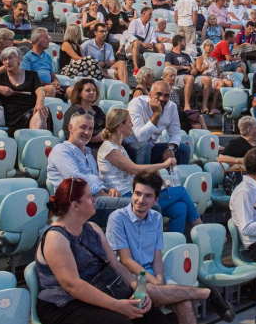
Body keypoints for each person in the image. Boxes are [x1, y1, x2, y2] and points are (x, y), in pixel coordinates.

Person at [34, 177, 172, 324]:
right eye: (89, 197)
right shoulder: (56, 237)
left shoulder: (93, 228)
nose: (95, 199)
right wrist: (117, 306)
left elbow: (115, 265)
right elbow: (73, 286)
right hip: (63, 306)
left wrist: (138, 291)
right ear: (75, 206)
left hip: (96, 295)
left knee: (154, 321)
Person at [107, 172, 235, 324]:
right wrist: (154, 282)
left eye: (148, 196)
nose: (141, 200)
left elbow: (157, 255)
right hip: (128, 279)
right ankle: (204, 293)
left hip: (153, 276)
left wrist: (160, 279)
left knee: (184, 305)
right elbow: (127, 261)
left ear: (156, 199)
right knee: (149, 290)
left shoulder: (156, 217)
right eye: (137, 194)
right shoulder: (117, 218)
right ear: (131, 193)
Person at [96, 107, 200, 236]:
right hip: (125, 196)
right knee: (181, 191)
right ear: (121, 126)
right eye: (129, 122)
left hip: (133, 191)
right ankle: (200, 228)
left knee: (180, 209)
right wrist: (163, 165)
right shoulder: (108, 147)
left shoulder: (119, 147)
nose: (132, 125)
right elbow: (134, 169)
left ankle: (173, 243)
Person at [47, 113, 131, 226]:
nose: (87, 132)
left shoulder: (88, 154)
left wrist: (108, 189)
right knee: (143, 208)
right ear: (70, 128)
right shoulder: (61, 150)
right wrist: (101, 193)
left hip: (94, 201)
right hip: (76, 206)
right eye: (83, 127)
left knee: (144, 205)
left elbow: (95, 179)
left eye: (90, 129)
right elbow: (75, 179)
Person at [0, 46, 49, 134]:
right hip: (10, 116)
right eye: (4, 59)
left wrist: (40, 102)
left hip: (30, 110)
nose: (7, 62)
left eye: (10, 58)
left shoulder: (32, 75)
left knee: (41, 110)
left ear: (19, 59)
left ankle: (33, 139)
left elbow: (39, 89)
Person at [127, 80, 190, 166]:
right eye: (159, 94)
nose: (162, 98)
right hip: (131, 147)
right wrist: (157, 113)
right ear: (150, 94)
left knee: (184, 150)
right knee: (144, 146)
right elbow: (141, 138)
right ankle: (143, 178)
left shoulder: (172, 107)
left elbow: (176, 134)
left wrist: (170, 148)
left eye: (166, 95)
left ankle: (175, 178)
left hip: (151, 147)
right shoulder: (137, 103)